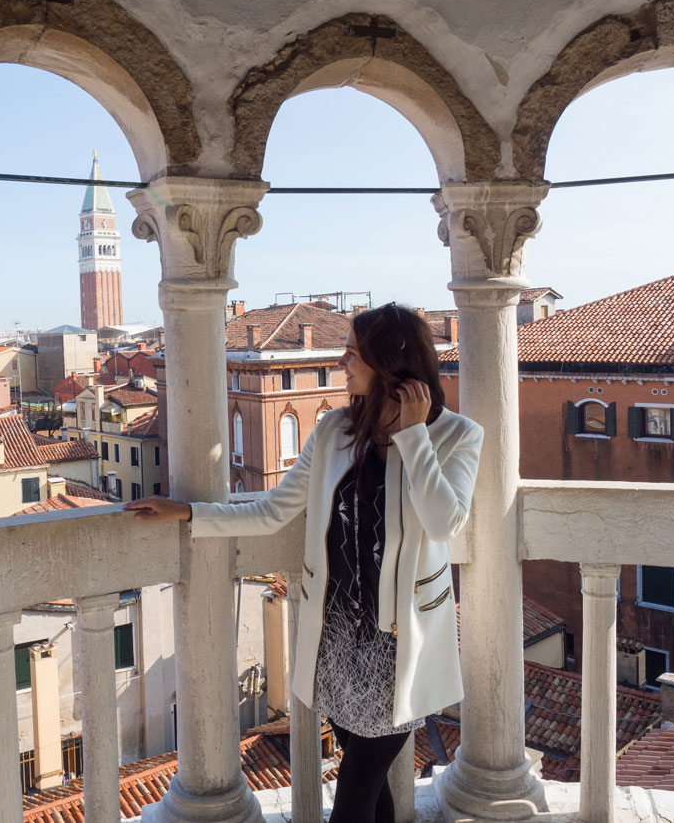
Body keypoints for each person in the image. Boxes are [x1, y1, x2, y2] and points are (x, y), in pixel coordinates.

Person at [125, 303, 483, 823]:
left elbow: (444, 522)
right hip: (334, 634)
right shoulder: (336, 429)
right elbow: (273, 510)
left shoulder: (457, 437)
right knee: (373, 792)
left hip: (399, 645)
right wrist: (189, 513)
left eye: (353, 354)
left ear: (387, 363)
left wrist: (414, 434)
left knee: (354, 796)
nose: (342, 363)